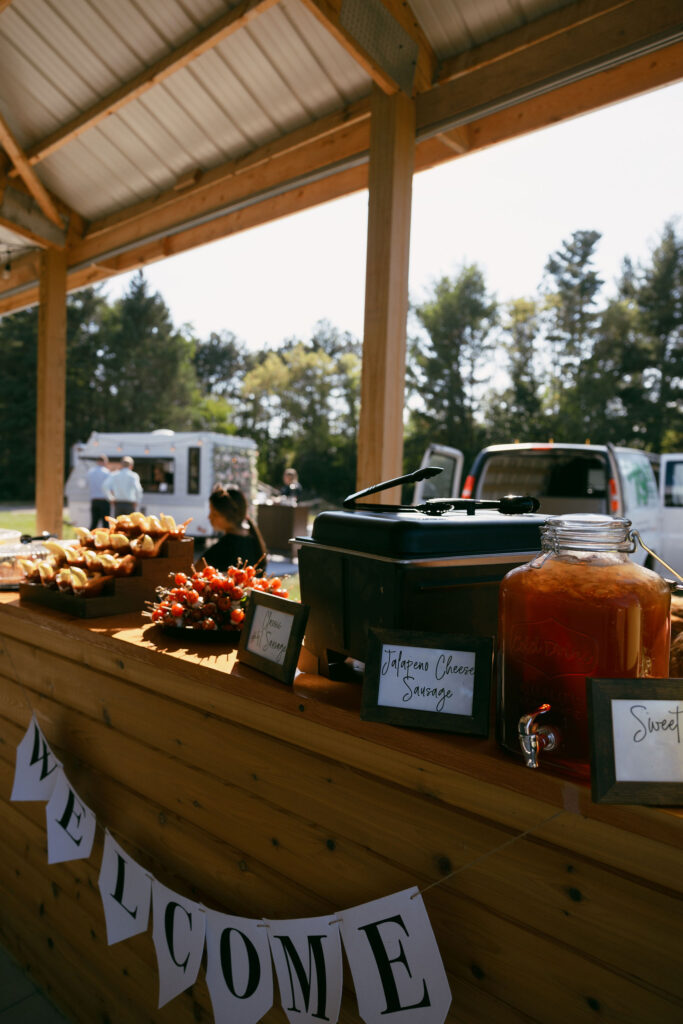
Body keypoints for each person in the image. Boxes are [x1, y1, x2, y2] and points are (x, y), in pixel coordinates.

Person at [205, 486, 267, 571]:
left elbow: (193, 572)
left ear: (228, 515)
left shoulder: (223, 549)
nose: (209, 517)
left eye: (214, 514)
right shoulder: (253, 540)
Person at [86, 455, 111, 530]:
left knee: (94, 523)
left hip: (94, 500)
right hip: (104, 500)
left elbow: (87, 484)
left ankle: (89, 540)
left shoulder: (90, 472)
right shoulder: (107, 472)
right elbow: (110, 487)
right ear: (105, 462)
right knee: (105, 524)